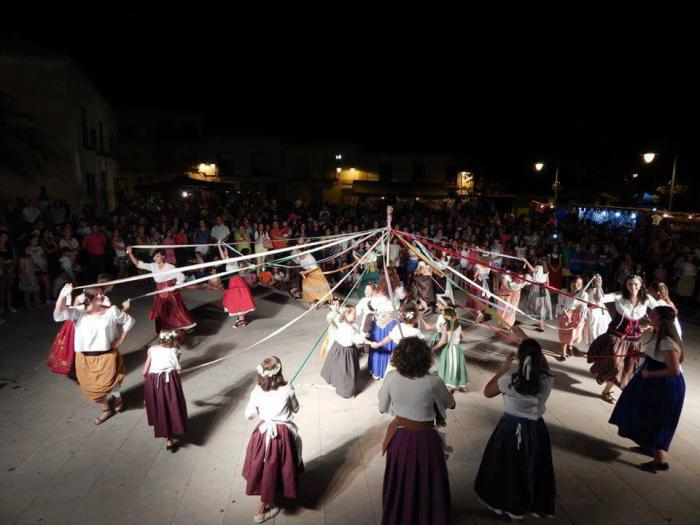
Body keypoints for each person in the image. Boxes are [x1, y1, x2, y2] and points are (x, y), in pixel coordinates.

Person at [474, 339, 556, 521]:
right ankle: (524, 506)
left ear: (520, 358)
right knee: (531, 467)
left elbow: (487, 392)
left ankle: (511, 508)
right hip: (536, 430)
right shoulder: (547, 379)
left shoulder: (509, 381)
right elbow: (540, 361)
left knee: (508, 468)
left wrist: (504, 367)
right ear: (540, 358)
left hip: (511, 430)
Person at [378, 337, 455, 525]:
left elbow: (382, 407)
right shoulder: (433, 381)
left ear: (399, 358)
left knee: (402, 479)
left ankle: (400, 514)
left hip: (400, 436)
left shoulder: (391, 378)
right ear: (425, 358)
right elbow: (450, 403)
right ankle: (428, 515)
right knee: (428, 479)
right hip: (426, 439)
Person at [609, 306, 685, 472]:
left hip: (662, 385)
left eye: (653, 315)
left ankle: (660, 460)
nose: (650, 317)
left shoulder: (667, 340)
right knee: (643, 413)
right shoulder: (659, 335)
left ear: (661, 320)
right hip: (654, 381)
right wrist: (641, 355)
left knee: (655, 418)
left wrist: (649, 374)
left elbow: (674, 370)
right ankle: (648, 446)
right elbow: (657, 356)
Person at [52, 284, 134, 424]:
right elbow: (58, 315)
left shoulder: (112, 311)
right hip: (84, 358)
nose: (102, 296)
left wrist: (121, 338)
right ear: (89, 298)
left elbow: (128, 321)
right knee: (90, 388)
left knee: (112, 383)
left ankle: (118, 398)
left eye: (102, 293)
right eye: (97, 295)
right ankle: (106, 409)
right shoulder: (78, 312)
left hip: (107, 356)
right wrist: (62, 296)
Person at [242, 356, 302, 523]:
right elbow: (296, 409)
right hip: (281, 434)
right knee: (280, 463)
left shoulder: (257, 390)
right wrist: (289, 393)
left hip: (263, 433)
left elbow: (249, 414)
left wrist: (260, 413)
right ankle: (261, 510)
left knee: (264, 464)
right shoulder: (287, 388)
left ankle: (271, 488)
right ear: (279, 372)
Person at [588, 274, 663, 404]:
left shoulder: (646, 299)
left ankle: (606, 390)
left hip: (634, 339)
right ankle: (604, 375)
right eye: (629, 284)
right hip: (616, 336)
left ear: (640, 285)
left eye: (635, 284)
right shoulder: (619, 296)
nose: (633, 287)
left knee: (627, 368)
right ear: (625, 285)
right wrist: (598, 285)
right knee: (615, 363)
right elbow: (600, 298)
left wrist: (652, 323)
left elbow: (660, 309)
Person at [126, 246, 196, 335]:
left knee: (176, 311)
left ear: (163, 256)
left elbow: (181, 276)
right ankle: (167, 329)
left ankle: (185, 326)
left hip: (170, 292)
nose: (155, 258)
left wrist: (175, 287)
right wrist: (130, 253)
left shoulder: (170, 267)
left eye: (158, 256)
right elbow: (138, 264)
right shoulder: (153, 266)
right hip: (159, 293)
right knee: (161, 312)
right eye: (154, 256)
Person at [142, 330, 188, 451]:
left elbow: (145, 371)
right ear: (174, 340)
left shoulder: (152, 350)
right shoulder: (176, 350)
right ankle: (174, 429)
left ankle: (168, 438)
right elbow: (177, 365)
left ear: (160, 339)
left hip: (154, 381)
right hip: (171, 381)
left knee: (161, 407)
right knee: (173, 405)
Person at [320, 305, 365, 398]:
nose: (355, 315)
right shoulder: (349, 329)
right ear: (347, 314)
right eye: (353, 313)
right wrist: (364, 335)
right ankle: (345, 391)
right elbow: (358, 340)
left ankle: (336, 381)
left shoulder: (344, 324)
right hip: (347, 352)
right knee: (347, 372)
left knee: (338, 367)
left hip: (337, 348)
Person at [432, 306, 469, 392]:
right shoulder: (458, 326)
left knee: (449, 366)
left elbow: (442, 341)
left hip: (448, 349)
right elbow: (462, 337)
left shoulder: (445, 327)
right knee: (458, 365)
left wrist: (433, 348)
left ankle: (450, 386)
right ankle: (462, 385)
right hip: (457, 348)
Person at [218, 243, 256, 328]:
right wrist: (220, 246)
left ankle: (241, 320)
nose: (225, 253)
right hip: (234, 280)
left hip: (236, 280)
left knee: (238, 299)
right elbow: (223, 257)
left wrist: (220, 246)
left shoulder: (232, 261)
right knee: (237, 299)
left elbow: (223, 258)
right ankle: (241, 319)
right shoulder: (231, 260)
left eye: (226, 251)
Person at [555, 275, 588, 361]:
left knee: (573, 334)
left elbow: (584, 307)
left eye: (579, 284)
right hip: (565, 315)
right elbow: (560, 304)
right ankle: (563, 354)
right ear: (570, 282)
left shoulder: (583, 294)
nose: (577, 285)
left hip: (576, 315)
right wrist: (563, 311)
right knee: (564, 335)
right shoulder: (563, 291)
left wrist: (582, 315)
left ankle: (570, 346)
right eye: (575, 282)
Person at [296, 238, 331, 305]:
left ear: (301, 250)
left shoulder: (309, 256)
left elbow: (314, 267)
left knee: (318, 286)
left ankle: (322, 300)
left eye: (298, 250)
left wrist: (304, 272)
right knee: (309, 286)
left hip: (315, 272)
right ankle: (313, 301)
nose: (297, 251)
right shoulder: (299, 256)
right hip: (308, 273)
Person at [583, 274, 612, 345]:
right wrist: (598, 287)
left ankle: (600, 345)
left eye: (600, 280)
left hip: (602, 312)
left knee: (602, 328)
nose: (599, 282)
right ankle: (594, 345)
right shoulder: (591, 290)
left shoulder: (600, 289)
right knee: (594, 329)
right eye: (597, 280)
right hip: (594, 312)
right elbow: (597, 299)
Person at [525, 261, 553, 331]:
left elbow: (532, 269)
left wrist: (526, 261)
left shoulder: (538, 267)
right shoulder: (546, 269)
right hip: (544, 289)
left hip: (537, 288)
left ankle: (541, 326)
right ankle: (540, 323)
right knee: (541, 306)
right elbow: (548, 282)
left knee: (538, 307)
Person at [19, 244, 41, 310]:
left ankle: (37, 305)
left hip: (33, 276)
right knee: (27, 292)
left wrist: (37, 266)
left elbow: (33, 265)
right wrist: (26, 278)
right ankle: (29, 306)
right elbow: (22, 269)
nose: (29, 250)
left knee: (36, 291)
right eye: (27, 249)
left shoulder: (30, 257)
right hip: (27, 277)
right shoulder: (22, 259)